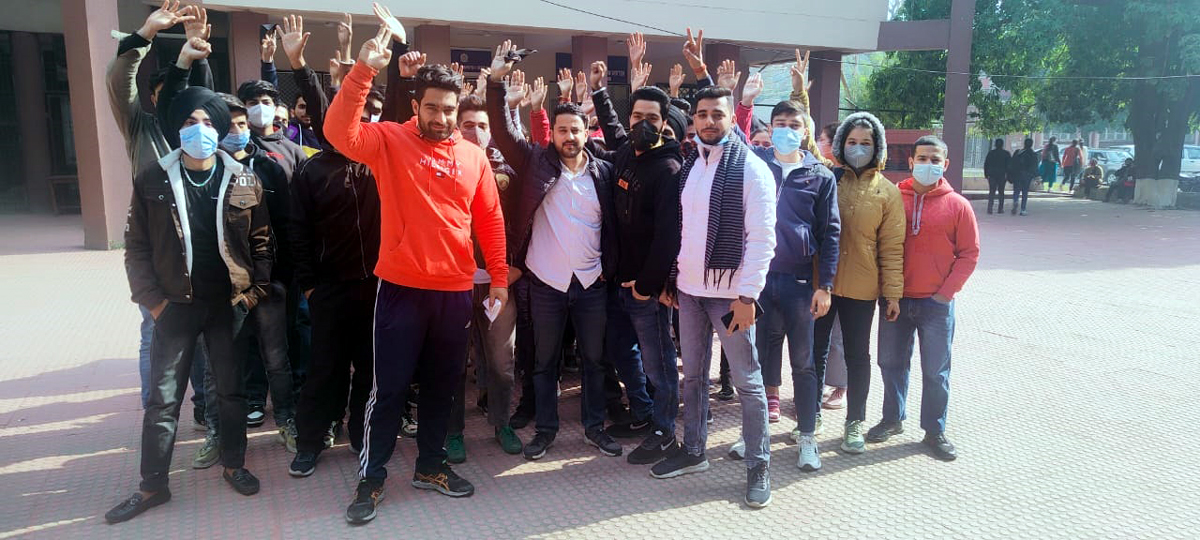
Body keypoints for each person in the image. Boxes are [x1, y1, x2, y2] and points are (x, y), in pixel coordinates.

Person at [324, 13, 508, 524]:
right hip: (401, 290)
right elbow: (338, 130)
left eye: (450, 110)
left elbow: (489, 220)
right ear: (416, 106)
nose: (442, 118)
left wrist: (497, 277)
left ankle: (431, 467)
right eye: (433, 108)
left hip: (454, 293)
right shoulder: (388, 141)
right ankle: (372, 478)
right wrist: (364, 69)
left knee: (444, 385)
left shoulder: (473, 156)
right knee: (389, 389)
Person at [106, 85, 272, 524]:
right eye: (188, 122)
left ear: (218, 129)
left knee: (230, 392)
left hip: (226, 307)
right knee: (163, 400)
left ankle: (234, 464)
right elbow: (135, 248)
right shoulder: (153, 178)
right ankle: (152, 486)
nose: (198, 129)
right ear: (176, 129)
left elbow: (262, 243)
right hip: (173, 308)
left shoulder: (242, 177)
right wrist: (153, 303)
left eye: (205, 122)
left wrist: (252, 294)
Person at [485, 41, 622, 462]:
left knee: (595, 362)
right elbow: (504, 131)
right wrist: (495, 81)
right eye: (561, 130)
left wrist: (607, 269)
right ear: (554, 134)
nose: (568, 136)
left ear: (585, 132)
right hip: (545, 283)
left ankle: (594, 428)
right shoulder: (533, 163)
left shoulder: (603, 170)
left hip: (591, 284)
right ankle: (545, 431)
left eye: (575, 130)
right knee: (543, 365)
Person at [652, 80, 778, 509]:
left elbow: (762, 239)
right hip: (689, 291)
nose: (709, 121)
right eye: (702, 114)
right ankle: (694, 451)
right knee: (692, 377)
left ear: (730, 118)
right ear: (694, 119)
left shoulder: (751, 168)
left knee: (747, 381)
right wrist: (674, 279)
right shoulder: (692, 165)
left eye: (717, 114)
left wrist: (748, 296)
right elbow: (685, 232)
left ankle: (759, 463)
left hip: (731, 298)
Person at [106, 1, 214, 431]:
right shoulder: (141, 129)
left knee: (206, 340)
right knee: (157, 335)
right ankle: (158, 416)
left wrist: (193, 53)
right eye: (164, 94)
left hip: (202, 256)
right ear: (153, 99)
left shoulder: (201, 136)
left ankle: (205, 411)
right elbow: (119, 82)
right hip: (159, 259)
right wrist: (145, 35)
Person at [731, 94, 839, 472]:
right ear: (770, 128)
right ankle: (752, 434)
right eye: (781, 125)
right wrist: (741, 100)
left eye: (795, 126)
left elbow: (830, 234)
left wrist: (824, 285)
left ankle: (807, 438)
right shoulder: (757, 164)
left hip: (798, 285)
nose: (787, 132)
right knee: (756, 361)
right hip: (759, 283)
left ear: (806, 132)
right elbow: (732, 134)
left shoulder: (821, 176)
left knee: (805, 364)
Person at [587, 57, 687, 466]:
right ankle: (644, 413)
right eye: (636, 116)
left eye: (651, 117)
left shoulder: (669, 167)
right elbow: (612, 129)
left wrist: (647, 285)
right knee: (620, 350)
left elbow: (668, 237)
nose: (642, 123)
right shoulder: (628, 150)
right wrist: (598, 93)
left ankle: (665, 431)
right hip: (618, 282)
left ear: (664, 121)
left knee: (659, 361)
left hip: (645, 289)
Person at [866, 136, 979, 462]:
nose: (928, 164)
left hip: (936, 305)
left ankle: (934, 430)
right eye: (922, 158)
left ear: (945, 164)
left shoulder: (958, 205)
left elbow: (969, 254)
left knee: (935, 371)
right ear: (911, 162)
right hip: (895, 301)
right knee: (890, 362)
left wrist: (945, 295)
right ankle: (892, 418)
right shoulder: (891, 197)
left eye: (935, 159)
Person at [814, 111, 904, 456]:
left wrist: (892, 294)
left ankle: (855, 422)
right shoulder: (826, 179)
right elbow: (804, 138)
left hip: (863, 288)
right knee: (815, 352)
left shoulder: (887, 192)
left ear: (877, 146)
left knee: (857, 355)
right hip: (823, 284)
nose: (857, 148)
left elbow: (892, 248)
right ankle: (812, 415)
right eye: (851, 142)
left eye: (865, 143)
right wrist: (799, 95)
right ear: (840, 145)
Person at [444, 92, 525, 461]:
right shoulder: (443, 161)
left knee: (500, 362)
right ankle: (453, 432)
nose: (475, 131)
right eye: (467, 125)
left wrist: (517, 266)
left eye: (482, 125)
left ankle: (501, 422)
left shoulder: (509, 165)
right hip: (454, 283)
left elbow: (528, 216)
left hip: (497, 283)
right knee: (453, 364)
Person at [1010, 138, 1039, 215]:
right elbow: (1035, 166)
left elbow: (1012, 163)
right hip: (1027, 175)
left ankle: (1015, 200)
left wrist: (1011, 174)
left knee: (1016, 190)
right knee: (1025, 192)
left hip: (1017, 174)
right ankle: (1023, 209)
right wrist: (1036, 176)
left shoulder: (1018, 152)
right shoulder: (1033, 154)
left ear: (1024, 144)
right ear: (1031, 144)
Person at [983, 138, 1010, 214]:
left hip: (992, 175)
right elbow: (1009, 166)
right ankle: (1000, 209)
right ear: (1002, 145)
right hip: (1002, 175)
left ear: (995, 144)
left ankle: (990, 208)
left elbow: (986, 164)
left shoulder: (991, 153)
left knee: (992, 192)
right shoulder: (1006, 154)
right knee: (1001, 192)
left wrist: (986, 174)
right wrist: (1008, 175)